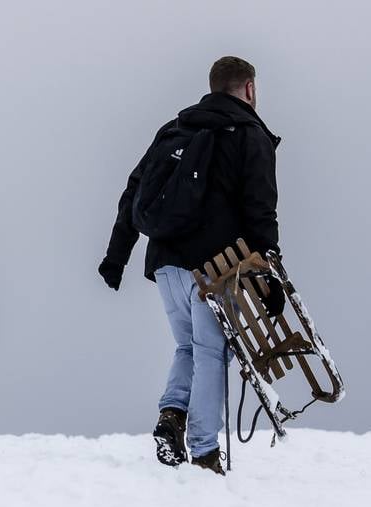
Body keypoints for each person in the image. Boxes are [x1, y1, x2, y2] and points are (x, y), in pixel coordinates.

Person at [98, 56, 284, 475]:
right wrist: (268, 272)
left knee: (189, 347)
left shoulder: (176, 128)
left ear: (213, 86)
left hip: (166, 264)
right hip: (217, 268)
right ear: (250, 89)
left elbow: (134, 189)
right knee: (212, 354)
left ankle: (172, 415)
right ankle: (203, 452)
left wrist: (117, 257)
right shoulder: (249, 134)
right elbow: (260, 209)